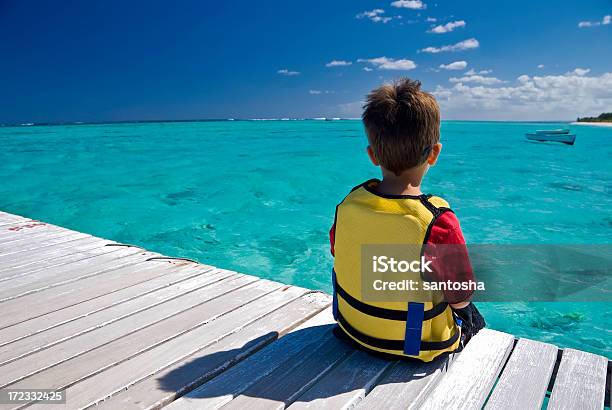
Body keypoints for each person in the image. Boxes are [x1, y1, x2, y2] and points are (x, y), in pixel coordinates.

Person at [329, 78, 485, 362]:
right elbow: (460, 293)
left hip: (353, 330)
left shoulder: (349, 204)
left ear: (373, 155)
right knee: (470, 311)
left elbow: (339, 252)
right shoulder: (437, 220)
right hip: (413, 345)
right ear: (434, 153)